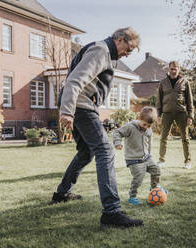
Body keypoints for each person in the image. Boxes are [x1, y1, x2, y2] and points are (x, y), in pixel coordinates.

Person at [51, 27, 143, 229]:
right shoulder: (101, 50)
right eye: (128, 49)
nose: (128, 54)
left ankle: (61, 193)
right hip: (81, 107)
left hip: (82, 106)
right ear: (119, 39)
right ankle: (111, 212)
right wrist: (67, 110)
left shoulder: (108, 55)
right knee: (105, 151)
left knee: (86, 152)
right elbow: (75, 79)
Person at [113, 106, 164, 205]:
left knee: (156, 170)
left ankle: (154, 188)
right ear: (139, 119)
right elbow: (117, 132)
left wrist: (149, 154)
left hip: (146, 158)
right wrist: (117, 143)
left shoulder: (148, 130)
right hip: (134, 160)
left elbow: (148, 143)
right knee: (138, 178)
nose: (146, 127)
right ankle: (132, 197)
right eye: (144, 124)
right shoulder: (130, 127)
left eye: (149, 126)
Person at [156, 61, 194, 169]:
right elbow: (158, 100)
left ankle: (188, 161)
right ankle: (161, 160)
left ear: (179, 70)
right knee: (163, 138)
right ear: (168, 69)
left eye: (175, 68)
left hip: (181, 113)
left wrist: (190, 116)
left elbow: (190, 101)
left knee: (185, 138)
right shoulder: (163, 83)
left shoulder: (185, 82)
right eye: (171, 69)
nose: (173, 70)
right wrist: (158, 115)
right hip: (167, 113)